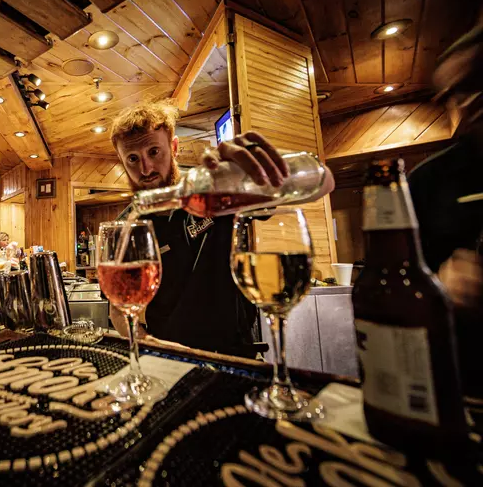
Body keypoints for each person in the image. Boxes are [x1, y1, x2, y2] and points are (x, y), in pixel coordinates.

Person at [108, 100, 334, 357]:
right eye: (133, 158)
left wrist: (251, 171)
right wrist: (153, 345)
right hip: (171, 357)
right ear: (122, 161)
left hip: (236, 352)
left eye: (154, 152)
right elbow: (117, 311)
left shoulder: (215, 188)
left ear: (173, 147)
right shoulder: (125, 227)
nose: (145, 168)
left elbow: (325, 182)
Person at [408, 19, 483, 398]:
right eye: (456, 93)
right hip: (461, 379)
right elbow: (401, 289)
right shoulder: (427, 181)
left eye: (476, 83)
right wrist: (437, 288)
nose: (469, 102)